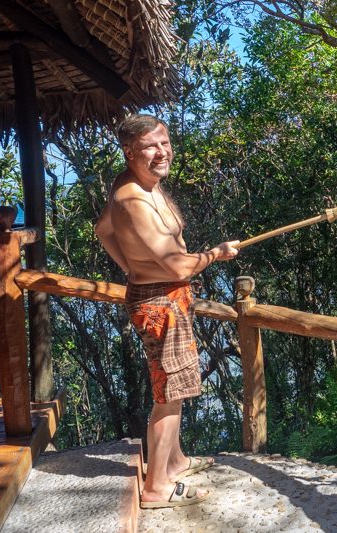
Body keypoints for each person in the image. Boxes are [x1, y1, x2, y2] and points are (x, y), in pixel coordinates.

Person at [96, 114, 239, 508]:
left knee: (176, 385)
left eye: (165, 142)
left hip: (168, 297)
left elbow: (103, 230)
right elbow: (177, 265)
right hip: (159, 302)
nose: (162, 152)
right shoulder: (132, 198)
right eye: (150, 147)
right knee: (169, 393)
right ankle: (157, 487)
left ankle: (173, 461)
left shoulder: (141, 184)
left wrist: (130, 265)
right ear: (129, 152)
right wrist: (217, 254)